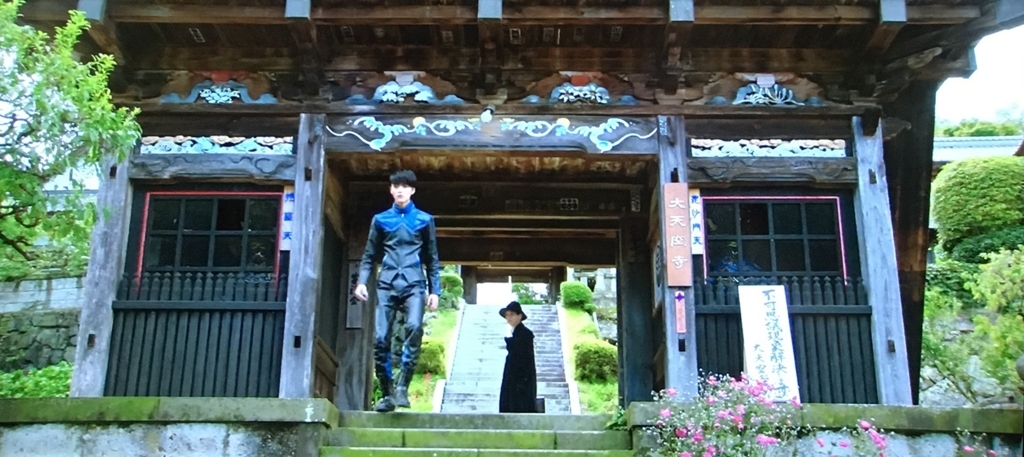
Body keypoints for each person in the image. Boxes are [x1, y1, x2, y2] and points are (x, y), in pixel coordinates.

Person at [354, 170, 441, 413]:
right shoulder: (380, 220)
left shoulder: (424, 219)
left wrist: (435, 291)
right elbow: (369, 255)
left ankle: (403, 386)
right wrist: (362, 282)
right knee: (380, 338)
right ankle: (388, 393)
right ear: (391, 190)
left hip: (414, 283)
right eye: (396, 186)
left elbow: (432, 258)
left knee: (414, 327)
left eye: (405, 186)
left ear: (412, 190)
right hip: (387, 283)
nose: (400, 190)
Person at [498, 301, 538, 413]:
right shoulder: (515, 332)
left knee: (519, 404)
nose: (508, 318)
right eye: (507, 315)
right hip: (513, 375)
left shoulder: (525, 334)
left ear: (519, 316)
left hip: (521, 377)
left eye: (511, 314)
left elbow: (523, 356)